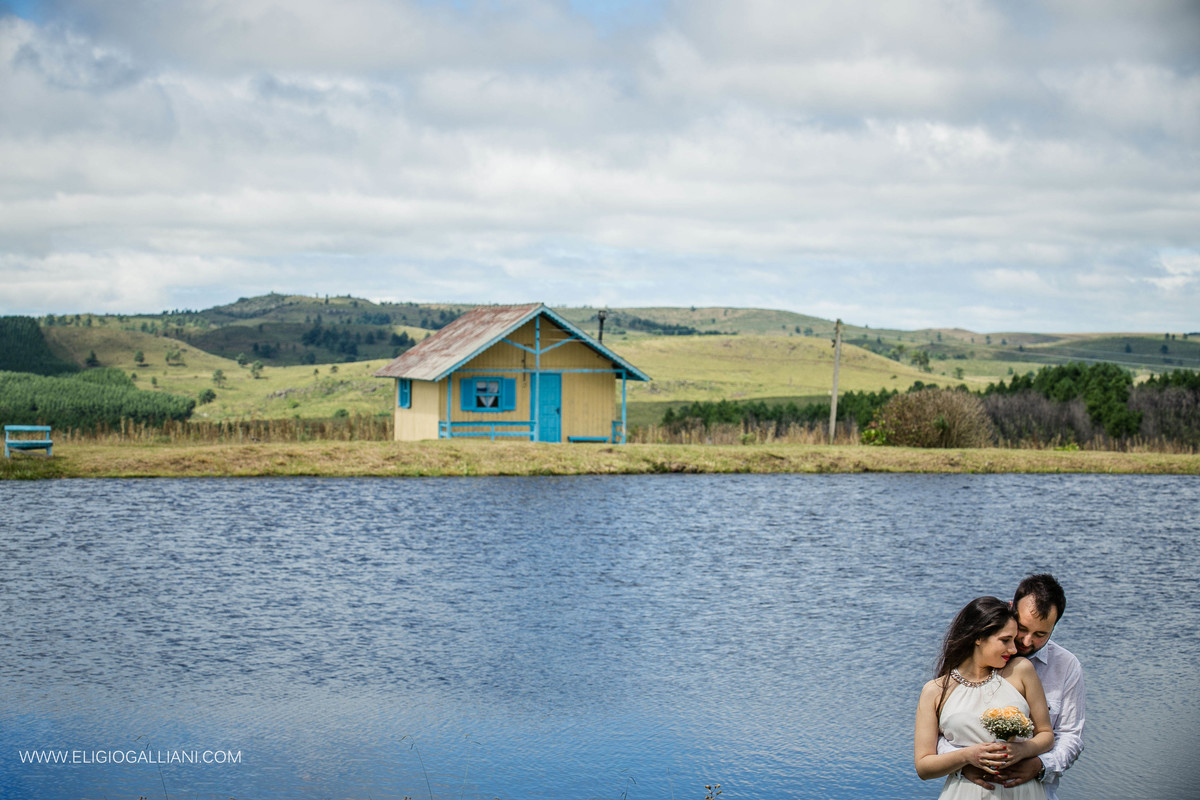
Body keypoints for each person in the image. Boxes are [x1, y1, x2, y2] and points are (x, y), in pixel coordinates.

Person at [951, 574, 1085, 799]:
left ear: (1055, 626)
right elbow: (942, 730)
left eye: (1040, 634)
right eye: (1023, 628)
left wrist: (1040, 765)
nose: (1026, 641)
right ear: (1011, 608)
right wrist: (964, 762)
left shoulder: (1067, 666)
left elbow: (1071, 736)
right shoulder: (973, 657)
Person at [915, 596, 1054, 799]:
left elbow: (1046, 734)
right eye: (1005, 640)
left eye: (1013, 640)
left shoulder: (1022, 671)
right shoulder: (935, 691)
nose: (1014, 649)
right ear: (978, 637)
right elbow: (924, 767)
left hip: (1023, 793)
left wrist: (1022, 750)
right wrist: (966, 757)